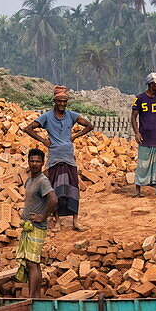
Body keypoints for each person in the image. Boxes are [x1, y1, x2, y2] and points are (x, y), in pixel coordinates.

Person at [22, 85, 95, 231]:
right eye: (59, 101)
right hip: (54, 158)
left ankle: (75, 222)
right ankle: (58, 222)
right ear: (54, 101)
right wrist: (43, 140)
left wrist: (74, 136)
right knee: (55, 190)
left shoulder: (71, 115)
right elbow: (28, 128)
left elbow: (89, 125)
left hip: (68, 158)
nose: (62, 104)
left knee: (72, 189)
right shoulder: (47, 116)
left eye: (64, 102)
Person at [16, 148, 57, 297]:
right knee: (33, 263)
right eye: (32, 161)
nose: (34, 164)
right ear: (28, 161)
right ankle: (37, 296)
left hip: (36, 226)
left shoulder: (42, 181)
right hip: (28, 226)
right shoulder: (29, 179)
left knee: (32, 263)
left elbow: (53, 200)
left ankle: (33, 297)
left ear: (43, 163)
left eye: (38, 161)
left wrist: (42, 216)